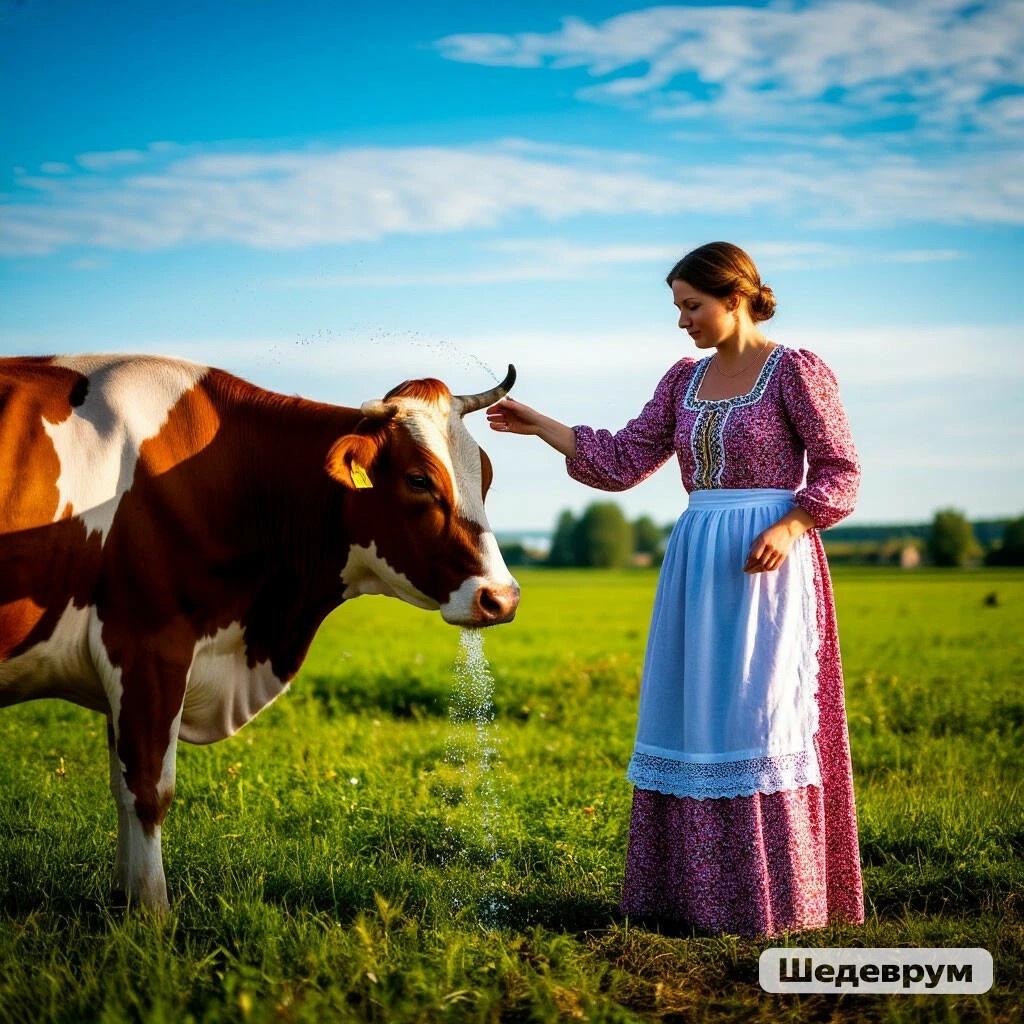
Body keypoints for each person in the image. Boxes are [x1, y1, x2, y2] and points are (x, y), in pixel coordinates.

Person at [486, 241, 863, 937]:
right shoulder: (682, 381)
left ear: (737, 297)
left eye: (692, 306)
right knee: (694, 715)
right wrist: (543, 427)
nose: (682, 321)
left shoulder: (795, 372)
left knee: (760, 717)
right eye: (677, 307)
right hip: (695, 559)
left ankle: (773, 903)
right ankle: (687, 901)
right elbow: (627, 459)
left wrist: (794, 524)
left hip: (771, 564)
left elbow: (841, 469)